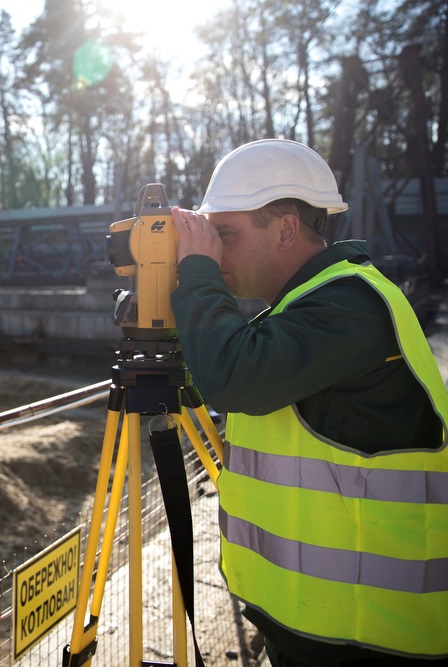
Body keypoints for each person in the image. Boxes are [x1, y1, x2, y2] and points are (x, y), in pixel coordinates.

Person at [169, 138, 448, 666]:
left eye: (223, 236)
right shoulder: (300, 310)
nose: (215, 251)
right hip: (316, 623)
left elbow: (234, 377)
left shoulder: (351, 305)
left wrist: (197, 277)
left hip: (376, 634)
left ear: (286, 229)